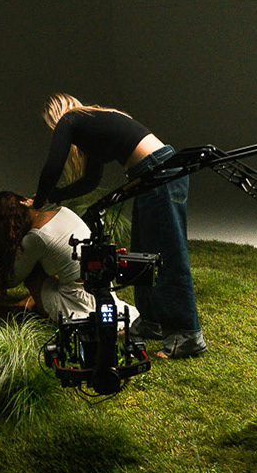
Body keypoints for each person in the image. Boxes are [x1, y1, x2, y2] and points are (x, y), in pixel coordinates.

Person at [31, 94, 205, 358]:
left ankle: (189, 335)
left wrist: (38, 201)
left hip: (159, 171)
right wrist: (55, 197)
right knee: (144, 253)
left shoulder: (70, 120)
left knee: (169, 254)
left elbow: (53, 166)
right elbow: (90, 181)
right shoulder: (91, 126)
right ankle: (151, 322)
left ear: (54, 116)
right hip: (151, 174)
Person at [0, 190, 139, 329]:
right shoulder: (62, 211)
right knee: (50, 264)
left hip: (75, 299)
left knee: (32, 272)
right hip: (99, 284)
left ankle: (25, 308)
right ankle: (24, 305)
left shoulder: (35, 237)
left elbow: (12, 278)